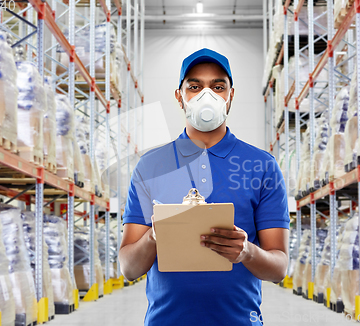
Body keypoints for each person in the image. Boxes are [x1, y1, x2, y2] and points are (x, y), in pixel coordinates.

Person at [119, 48, 290, 326]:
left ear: (230, 95)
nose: (206, 95)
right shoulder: (150, 167)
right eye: (195, 86)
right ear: (180, 96)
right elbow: (129, 268)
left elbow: (279, 268)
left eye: (218, 86)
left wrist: (247, 251)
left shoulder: (262, 166)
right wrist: (154, 237)